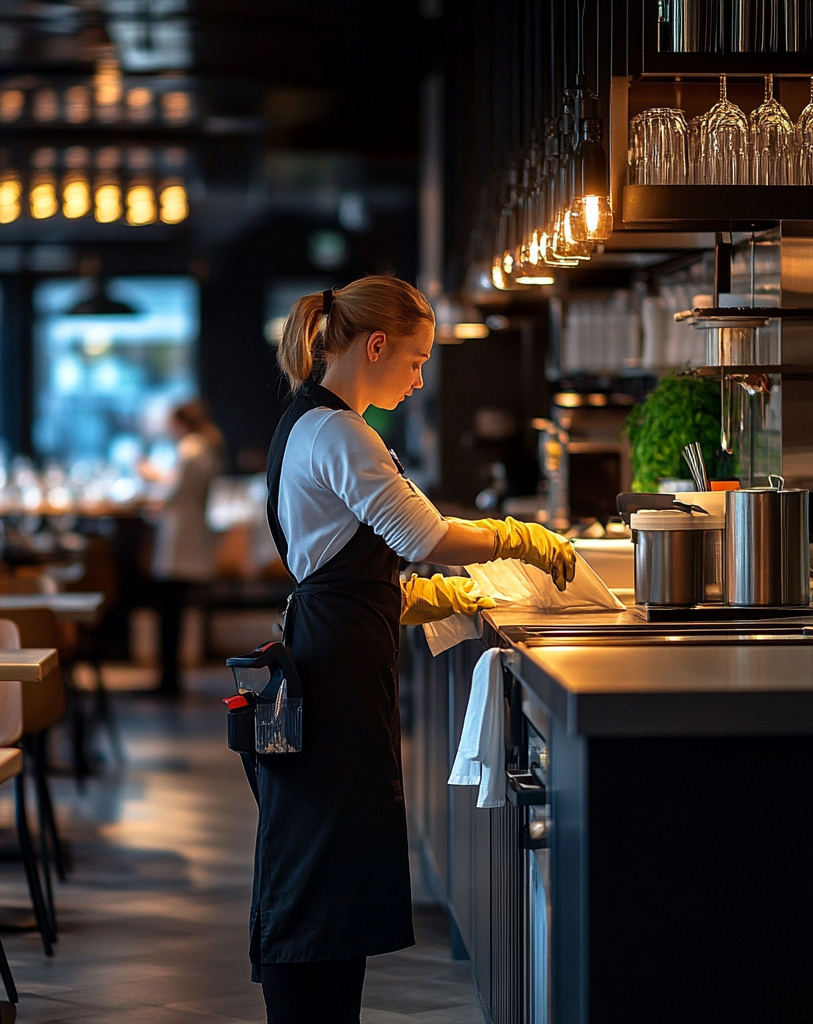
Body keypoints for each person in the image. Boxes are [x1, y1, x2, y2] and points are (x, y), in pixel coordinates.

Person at [256, 275, 576, 1023]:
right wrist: (519, 538)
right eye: (416, 359)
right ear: (376, 346)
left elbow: (337, 569)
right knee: (322, 865)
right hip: (333, 674)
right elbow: (423, 535)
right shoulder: (338, 431)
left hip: (332, 655)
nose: (420, 378)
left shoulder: (317, 424)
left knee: (329, 861)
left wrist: (432, 597)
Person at [139, 399, 225, 696]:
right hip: (191, 538)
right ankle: (169, 679)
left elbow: (174, 493)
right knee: (174, 612)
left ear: (179, 423)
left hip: (180, 541)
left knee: (169, 613)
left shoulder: (190, 449)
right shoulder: (205, 448)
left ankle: (168, 681)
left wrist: (151, 476)